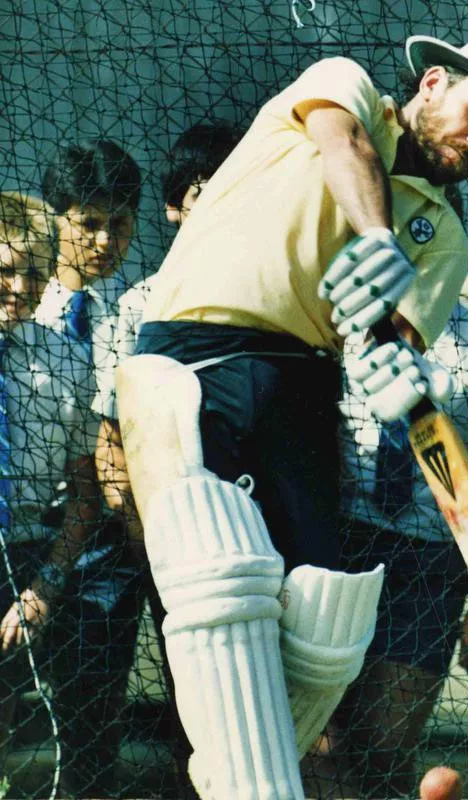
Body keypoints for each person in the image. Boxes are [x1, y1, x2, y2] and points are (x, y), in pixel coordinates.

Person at [114, 31, 468, 800]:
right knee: (223, 584)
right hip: (197, 354)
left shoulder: (445, 236)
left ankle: (243, 781)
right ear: (434, 82)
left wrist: (393, 366)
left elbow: (394, 339)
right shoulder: (340, 83)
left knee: (322, 619)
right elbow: (345, 146)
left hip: (306, 388)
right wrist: (378, 237)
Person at [93, 120, 241, 800]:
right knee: (193, 701)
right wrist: (143, 535)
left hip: (254, 537)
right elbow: (110, 441)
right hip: (171, 543)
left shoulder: (271, 303)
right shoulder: (138, 308)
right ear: (174, 205)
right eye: (201, 192)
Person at [315, 293, 468, 798]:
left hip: (430, 559)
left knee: (386, 747)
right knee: (323, 743)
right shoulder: (341, 321)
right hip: (340, 544)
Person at [35, 139, 145, 797]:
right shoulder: (20, 307)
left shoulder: (138, 313)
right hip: (27, 528)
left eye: (120, 223)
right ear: (56, 219)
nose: (104, 240)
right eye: (88, 222)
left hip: (105, 540)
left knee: (92, 712)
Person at [0, 191, 101, 794]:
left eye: (35, 273)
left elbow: (87, 495)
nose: (20, 285)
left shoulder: (64, 361)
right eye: (6, 267)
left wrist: (46, 586)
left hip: (22, 558)